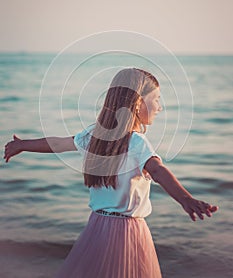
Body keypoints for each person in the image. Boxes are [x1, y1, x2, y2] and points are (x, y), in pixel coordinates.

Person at [4, 68, 218, 278]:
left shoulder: (94, 136)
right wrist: (185, 198)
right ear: (137, 104)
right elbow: (158, 170)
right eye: (156, 99)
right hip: (129, 231)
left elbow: (58, 143)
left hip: (97, 227)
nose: (160, 107)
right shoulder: (136, 142)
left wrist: (23, 144)